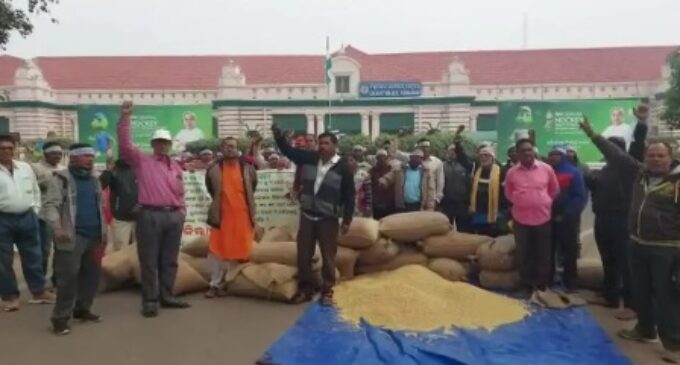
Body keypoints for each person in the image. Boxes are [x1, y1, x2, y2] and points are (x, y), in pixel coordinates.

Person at [580, 118, 680, 363]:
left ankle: (674, 345)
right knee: (640, 292)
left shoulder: (676, 182)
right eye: (652, 155)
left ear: (671, 158)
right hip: (637, 243)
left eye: (660, 156)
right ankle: (645, 330)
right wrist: (593, 135)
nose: (655, 159)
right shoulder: (639, 174)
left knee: (666, 296)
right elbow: (614, 154)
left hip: (667, 250)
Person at [118, 101, 189, 318]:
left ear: (170, 144)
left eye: (166, 142)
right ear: (153, 143)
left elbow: (180, 191)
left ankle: (167, 296)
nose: (163, 145)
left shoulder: (175, 165)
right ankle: (150, 300)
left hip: (173, 216)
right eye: (159, 141)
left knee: (170, 259)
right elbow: (125, 144)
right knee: (149, 260)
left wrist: (182, 211)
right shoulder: (142, 161)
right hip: (150, 215)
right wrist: (126, 117)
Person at [273, 125, 354, 306]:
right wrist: (279, 138)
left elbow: (350, 196)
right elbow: (289, 151)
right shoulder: (309, 158)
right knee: (303, 255)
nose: (322, 146)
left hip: (328, 219)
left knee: (328, 256)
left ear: (334, 145)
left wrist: (347, 220)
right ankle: (305, 289)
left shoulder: (343, 166)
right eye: (320, 143)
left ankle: (328, 290)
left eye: (326, 143)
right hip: (307, 215)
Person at [43, 143, 106, 335]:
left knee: (91, 276)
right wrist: (58, 227)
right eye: (86, 155)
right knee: (68, 278)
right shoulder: (60, 179)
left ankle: (82, 310)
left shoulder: (95, 179)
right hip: (72, 236)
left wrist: (104, 232)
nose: (90, 159)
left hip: (94, 236)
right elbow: (50, 205)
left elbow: (100, 207)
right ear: (74, 157)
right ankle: (60, 319)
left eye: (92, 155)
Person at [0, 134, 55, 312]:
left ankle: (38, 292)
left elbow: (35, 190)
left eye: (10, 148)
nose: (7, 151)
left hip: (27, 216)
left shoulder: (24, 168)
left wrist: (35, 209)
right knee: (3, 260)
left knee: (34, 255)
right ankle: (10, 296)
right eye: (2, 148)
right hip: (3, 219)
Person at [585, 136, 637, 321]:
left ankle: (632, 305)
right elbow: (594, 183)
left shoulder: (627, 169)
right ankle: (610, 295)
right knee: (607, 258)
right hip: (602, 218)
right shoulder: (606, 169)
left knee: (625, 263)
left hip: (621, 219)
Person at [504, 138, 560, 297]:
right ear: (518, 154)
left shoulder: (546, 169)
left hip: (543, 219)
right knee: (524, 254)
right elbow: (508, 194)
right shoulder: (512, 173)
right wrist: (522, 201)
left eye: (530, 149)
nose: (527, 153)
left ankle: (541, 286)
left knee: (543, 254)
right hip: (521, 219)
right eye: (523, 151)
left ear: (534, 151)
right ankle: (526, 286)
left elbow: (554, 190)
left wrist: (543, 201)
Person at [205, 137, 257, 298]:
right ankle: (214, 284)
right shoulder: (213, 168)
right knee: (217, 251)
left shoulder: (248, 168)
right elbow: (210, 188)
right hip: (222, 216)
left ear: (237, 148)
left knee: (240, 250)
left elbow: (253, 187)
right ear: (221, 148)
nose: (230, 149)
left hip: (243, 215)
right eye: (227, 146)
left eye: (233, 146)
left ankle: (230, 283)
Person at [546, 146, 587, 291]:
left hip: (567, 220)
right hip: (548, 219)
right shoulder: (545, 172)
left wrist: (567, 215)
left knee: (569, 252)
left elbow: (580, 197)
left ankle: (570, 282)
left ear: (563, 156)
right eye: (551, 154)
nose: (553, 157)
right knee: (548, 252)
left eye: (556, 154)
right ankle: (548, 280)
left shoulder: (573, 173)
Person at [31, 141, 65, 286]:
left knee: (62, 250)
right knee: (43, 250)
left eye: (59, 154)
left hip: (62, 215)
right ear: (45, 154)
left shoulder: (64, 169)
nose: (57, 156)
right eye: (54, 153)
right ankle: (40, 283)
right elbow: (32, 186)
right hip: (43, 216)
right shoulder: (35, 168)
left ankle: (58, 280)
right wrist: (51, 178)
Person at [99, 158, 138, 252]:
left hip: (140, 217)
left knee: (140, 250)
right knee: (120, 250)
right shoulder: (114, 171)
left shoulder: (141, 169)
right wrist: (108, 170)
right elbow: (101, 185)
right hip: (121, 218)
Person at [469, 146, 509, 237]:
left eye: (486, 155)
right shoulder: (477, 171)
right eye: (481, 156)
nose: (483, 158)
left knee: (495, 237)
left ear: (492, 157)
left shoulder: (502, 171)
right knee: (482, 237)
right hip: (479, 212)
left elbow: (506, 192)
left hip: (496, 212)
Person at [441, 128, 473, 230]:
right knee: (446, 228)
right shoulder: (442, 166)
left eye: (455, 151)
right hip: (447, 203)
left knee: (463, 229)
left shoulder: (466, 165)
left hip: (462, 203)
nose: (453, 153)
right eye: (451, 151)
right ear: (447, 152)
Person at [369, 149, 396, 219]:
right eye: (379, 157)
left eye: (383, 157)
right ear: (377, 159)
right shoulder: (372, 170)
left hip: (389, 202)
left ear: (387, 158)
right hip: (377, 202)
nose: (381, 159)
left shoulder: (391, 169)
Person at [418, 138, 445, 207]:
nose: (424, 149)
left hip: (431, 200)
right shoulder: (414, 162)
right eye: (422, 147)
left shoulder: (437, 162)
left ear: (430, 148)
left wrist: (437, 199)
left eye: (427, 147)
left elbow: (440, 181)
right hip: (417, 201)